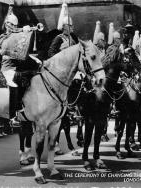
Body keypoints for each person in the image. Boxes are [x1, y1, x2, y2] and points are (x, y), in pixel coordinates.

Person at [48, 13, 79, 156]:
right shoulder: (58, 38)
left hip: (72, 71)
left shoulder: (73, 39)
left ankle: (75, 106)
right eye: (69, 25)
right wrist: (61, 50)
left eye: (72, 25)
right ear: (64, 27)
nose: (71, 27)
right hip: (60, 70)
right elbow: (51, 53)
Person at [0, 10, 34, 124]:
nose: (13, 27)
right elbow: (3, 49)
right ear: (7, 24)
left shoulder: (17, 35)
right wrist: (21, 31)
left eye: (15, 25)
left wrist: (26, 32)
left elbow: (22, 50)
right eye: (12, 25)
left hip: (17, 68)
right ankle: (12, 115)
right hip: (7, 68)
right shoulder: (3, 36)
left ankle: (23, 106)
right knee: (13, 84)